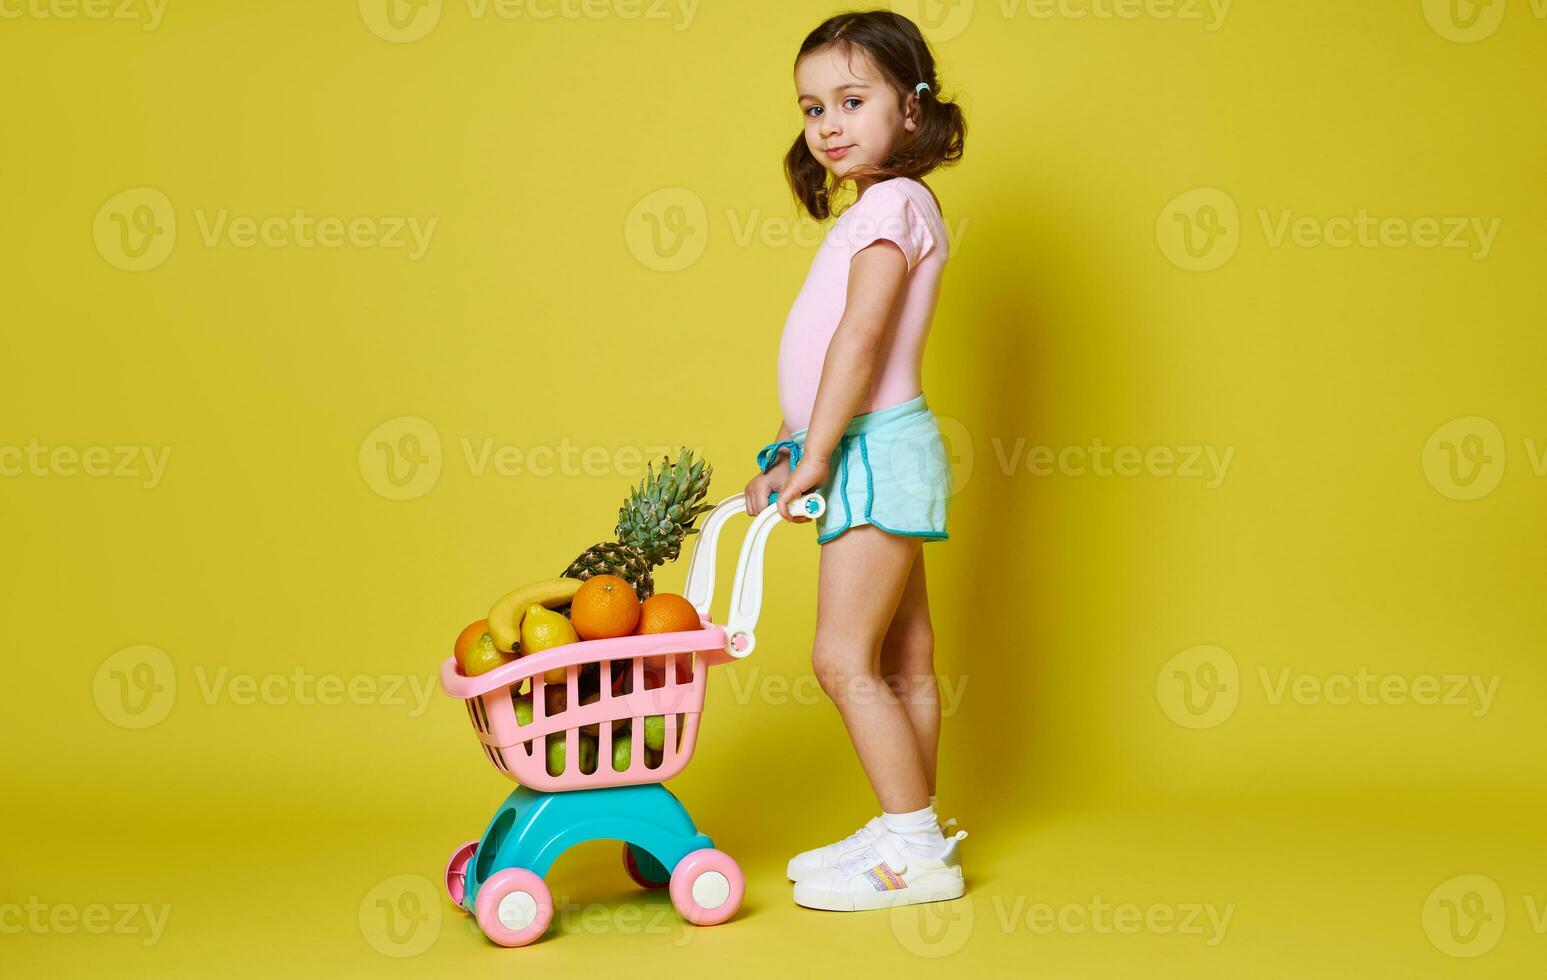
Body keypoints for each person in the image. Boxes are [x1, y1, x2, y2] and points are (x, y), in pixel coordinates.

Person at [742, 9, 969, 913]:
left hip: (872, 452)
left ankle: (914, 847)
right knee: (904, 654)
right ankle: (907, 824)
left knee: (841, 658)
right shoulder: (893, 206)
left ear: (910, 111)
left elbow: (860, 337)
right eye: (811, 108)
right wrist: (798, 445)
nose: (827, 125)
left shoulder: (890, 206)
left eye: (850, 99)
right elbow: (841, 350)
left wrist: (819, 453)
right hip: (878, 445)